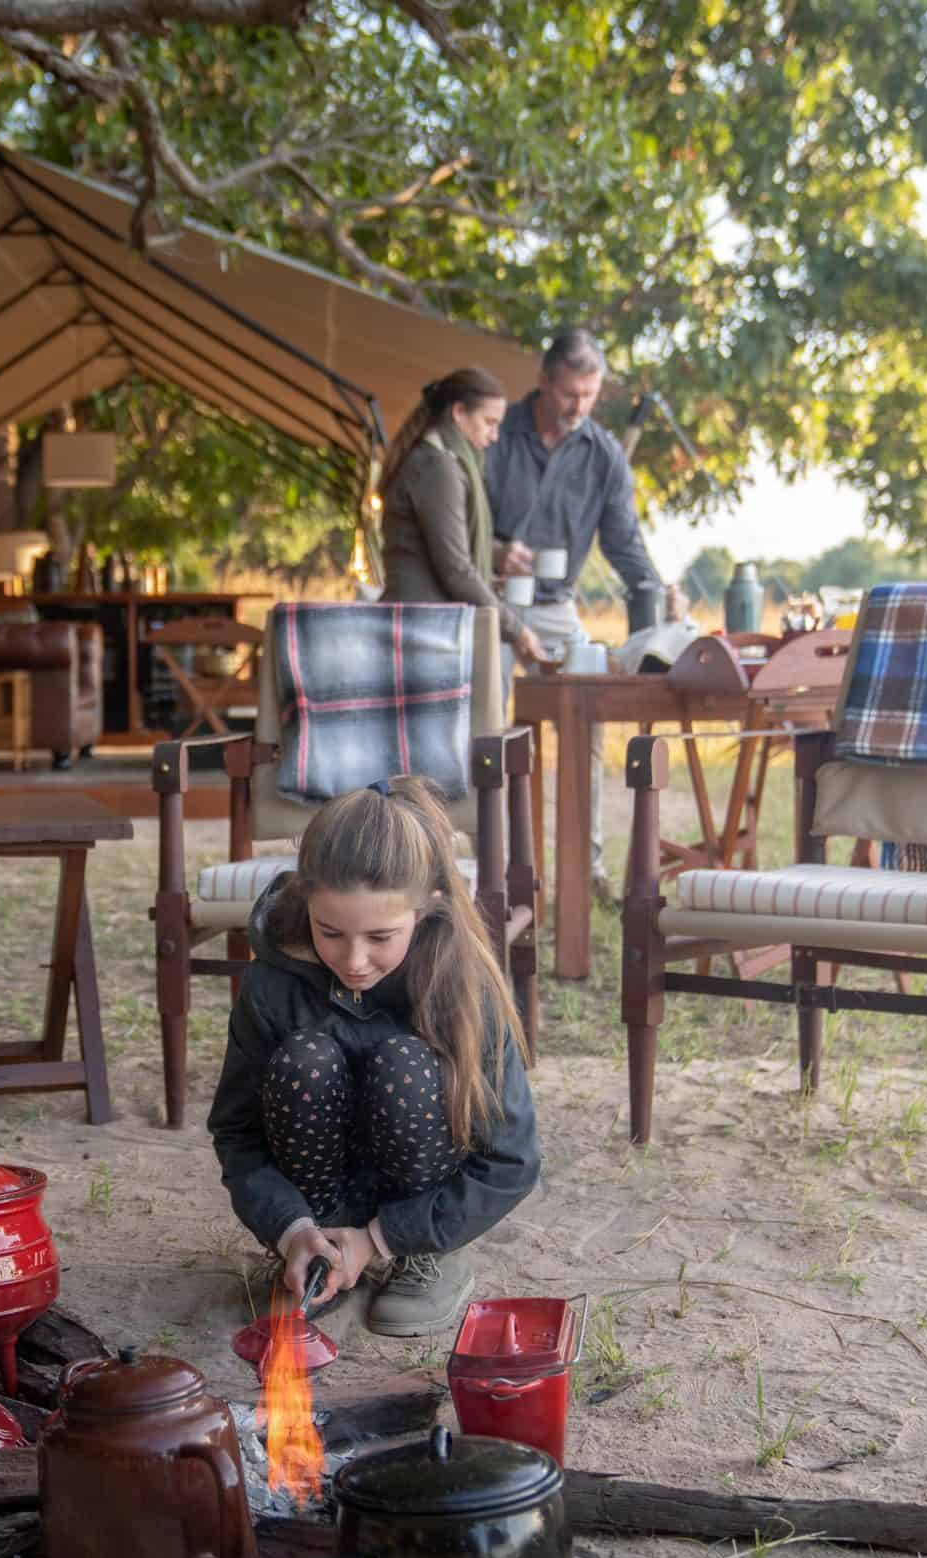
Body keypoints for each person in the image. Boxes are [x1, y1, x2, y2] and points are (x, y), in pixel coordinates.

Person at [205, 777, 540, 1338]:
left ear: (426, 909)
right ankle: (318, 1258)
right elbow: (237, 1134)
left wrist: (386, 1235)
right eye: (329, 933)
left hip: (419, 1200)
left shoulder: (463, 984)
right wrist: (290, 1228)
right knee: (304, 1059)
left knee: (402, 1064)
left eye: (381, 936)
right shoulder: (270, 983)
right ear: (305, 903)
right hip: (314, 1201)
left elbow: (512, 1161)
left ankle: (421, 1258)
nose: (355, 961)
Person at [486, 329, 684, 899]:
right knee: (486, 721)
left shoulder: (604, 455)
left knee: (589, 714)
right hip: (491, 600)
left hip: (556, 606)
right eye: (572, 394)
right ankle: (491, 863)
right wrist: (497, 552)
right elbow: (458, 528)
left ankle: (585, 862)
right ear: (545, 383)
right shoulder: (495, 435)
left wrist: (658, 589)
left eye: (590, 396)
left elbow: (624, 543)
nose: (580, 407)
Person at [378, 366, 550, 668]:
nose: (495, 436)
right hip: (422, 634)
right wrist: (517, 630)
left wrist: (489, 574)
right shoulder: (437, 466)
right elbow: (456, 569)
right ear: (459, 413)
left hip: (427, 627)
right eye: (489, 423)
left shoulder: (441, 460)